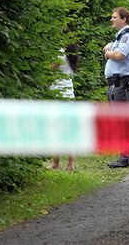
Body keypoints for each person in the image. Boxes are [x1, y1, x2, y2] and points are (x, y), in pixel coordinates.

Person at [102, 7, 129, 168]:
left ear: (124, 19)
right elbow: (111, 47)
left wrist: (108, 53)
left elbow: (119, 55)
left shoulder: (128, 35)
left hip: (122, 84)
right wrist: (110, 47)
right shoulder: (119, 37)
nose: (111, 19)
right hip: (114, 84)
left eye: (114, 17)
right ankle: (123, 155)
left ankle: (125, 158)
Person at [48, 43, 80, 171]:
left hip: (57, 95)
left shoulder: (59, 53)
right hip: (69, 95)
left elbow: (50, 69)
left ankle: (55, 162)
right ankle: (70, 163)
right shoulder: (72, 55)